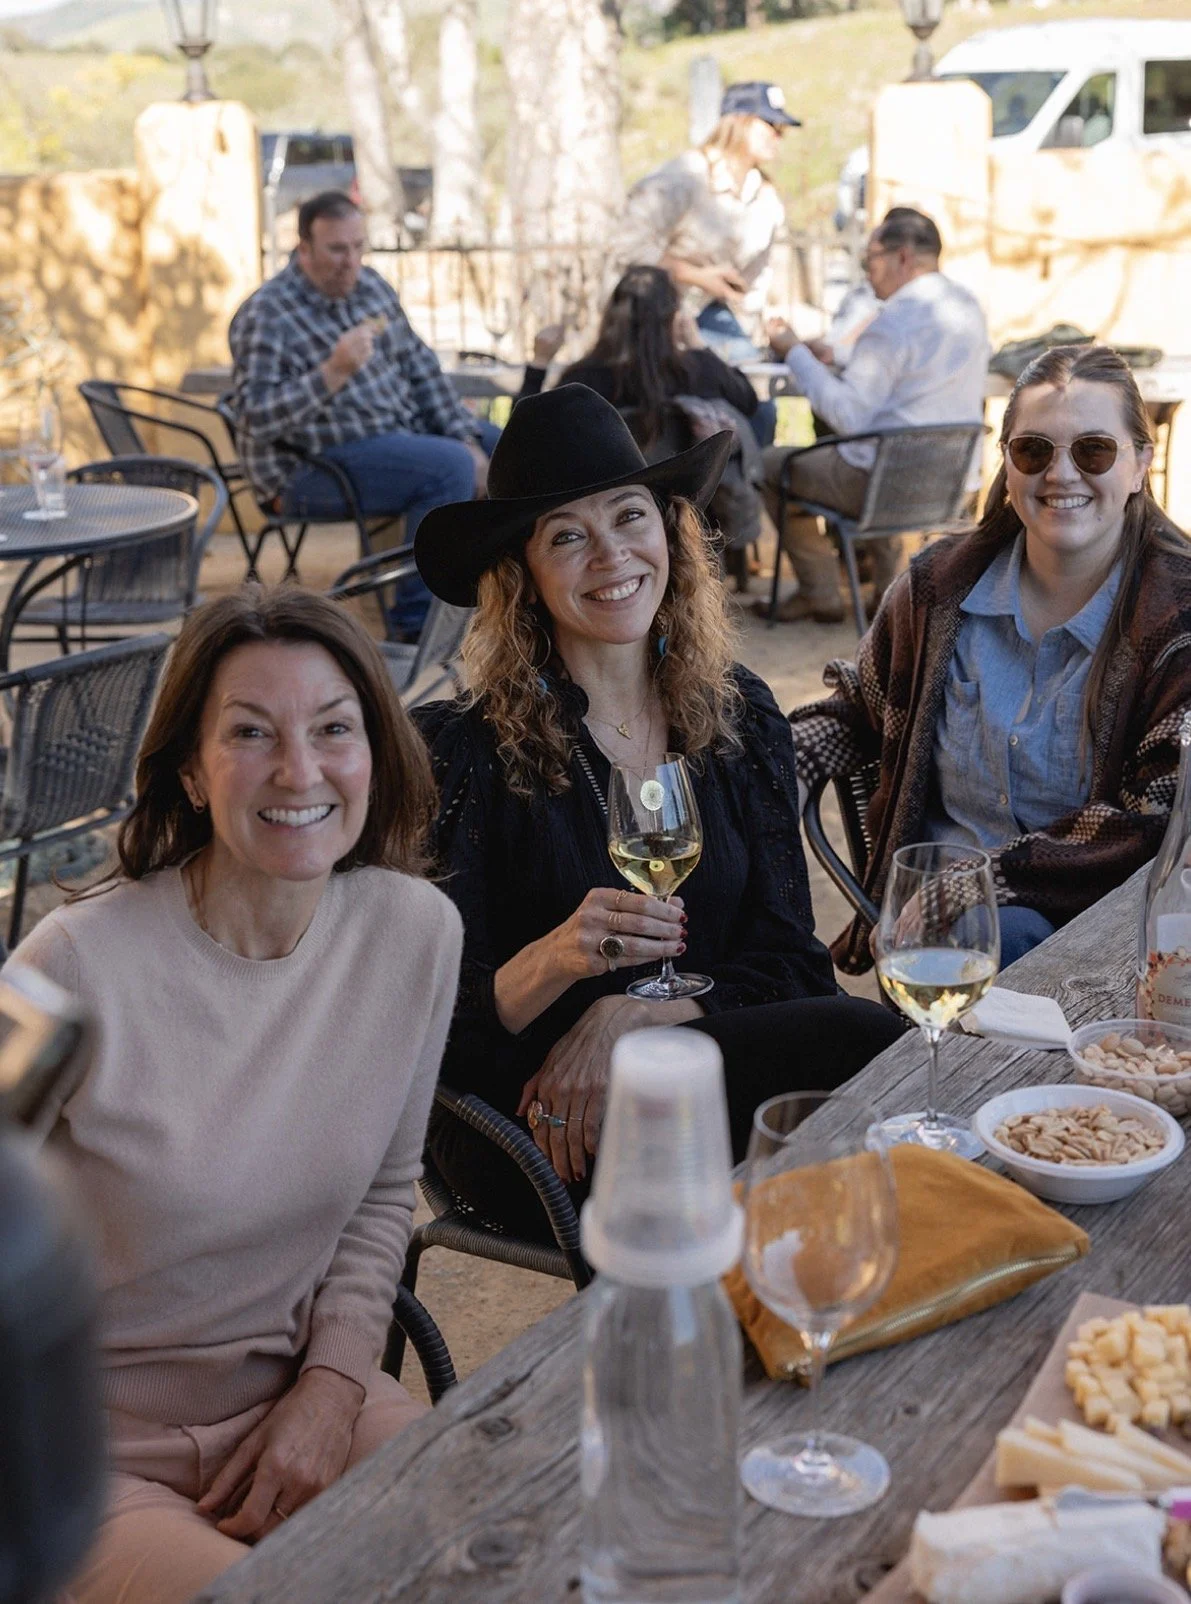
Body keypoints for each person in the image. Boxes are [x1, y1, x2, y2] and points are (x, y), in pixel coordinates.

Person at [10, 588, 462, 1604]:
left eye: (333, 728)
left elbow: (388, 1195)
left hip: (300, 1397)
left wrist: (333, 1386)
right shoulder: (70, 969)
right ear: (189, 770)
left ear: (375, 749)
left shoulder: (417, 932)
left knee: (493, 1540)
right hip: (90, 1459)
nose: (299, 770)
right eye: (251, 732)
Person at [411, 383, 903, 1231]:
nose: (611, 557)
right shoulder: (460, 753)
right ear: (522, 574)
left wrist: (633, 1012)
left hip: (689, 1070)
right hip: (526, 1123)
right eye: (568, 535)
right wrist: (560, 961)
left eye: (629, 517)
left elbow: (793, 966)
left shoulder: (737, 716)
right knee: (838, 1071)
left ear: (670, 532)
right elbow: (428, 1032)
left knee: (867, 1042)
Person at [788, 344, 1191, 973]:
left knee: (1006, 929)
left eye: (1094, 450)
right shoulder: (936, 587)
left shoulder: (1178, 621)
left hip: (1104, 949)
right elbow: (857, 708)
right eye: (1034, 450)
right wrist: (782, 764)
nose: (1061, 474)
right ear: (1007, 462)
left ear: (1141, 462)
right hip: (936, 940)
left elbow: (1158, 818)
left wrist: (989, 880)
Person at [229, 190, 499, 637]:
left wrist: (466, 439)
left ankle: (495, 600)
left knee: (504, 446)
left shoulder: (372, 288)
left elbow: (421, 369)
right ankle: (417, 627)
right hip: (306, 471)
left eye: (358, 247)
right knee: (447, 466)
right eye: (336, 249)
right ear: (304, 250)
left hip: (398, 439)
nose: (350, 261)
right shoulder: (266, 315)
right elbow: (255, 420)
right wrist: (331, 374)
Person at [761, 206, 989, 624]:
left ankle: (821, 592)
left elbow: (847, 415)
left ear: (902, 257)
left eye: (870, 261)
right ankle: (891, 600)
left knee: (771, 464)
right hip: (954, 478)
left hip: (885, 483)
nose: (867, 273)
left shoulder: (893, 322)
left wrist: (791, 350)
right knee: (882, 448)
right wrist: (841, 354)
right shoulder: (969, 306)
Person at [518, 266, 763, 565]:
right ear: (673, 318)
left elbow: (526, 440)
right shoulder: (697, 370)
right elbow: (749, 401)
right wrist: (698, 344)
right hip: (692, 517)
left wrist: (539, 362)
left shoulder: (585, 379)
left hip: (605, 525)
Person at [612, 81, 800, 446]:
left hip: (722, 322)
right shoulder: (682, 177)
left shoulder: (766, 198)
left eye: (781, 129)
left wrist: (766, 327)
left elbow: (760, 279)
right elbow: (626, 247)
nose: (778, 136)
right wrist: (696, 276)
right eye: (770, 125)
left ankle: (744, 491)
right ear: (740, 121)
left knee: (758, 409)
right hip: (657, 317)